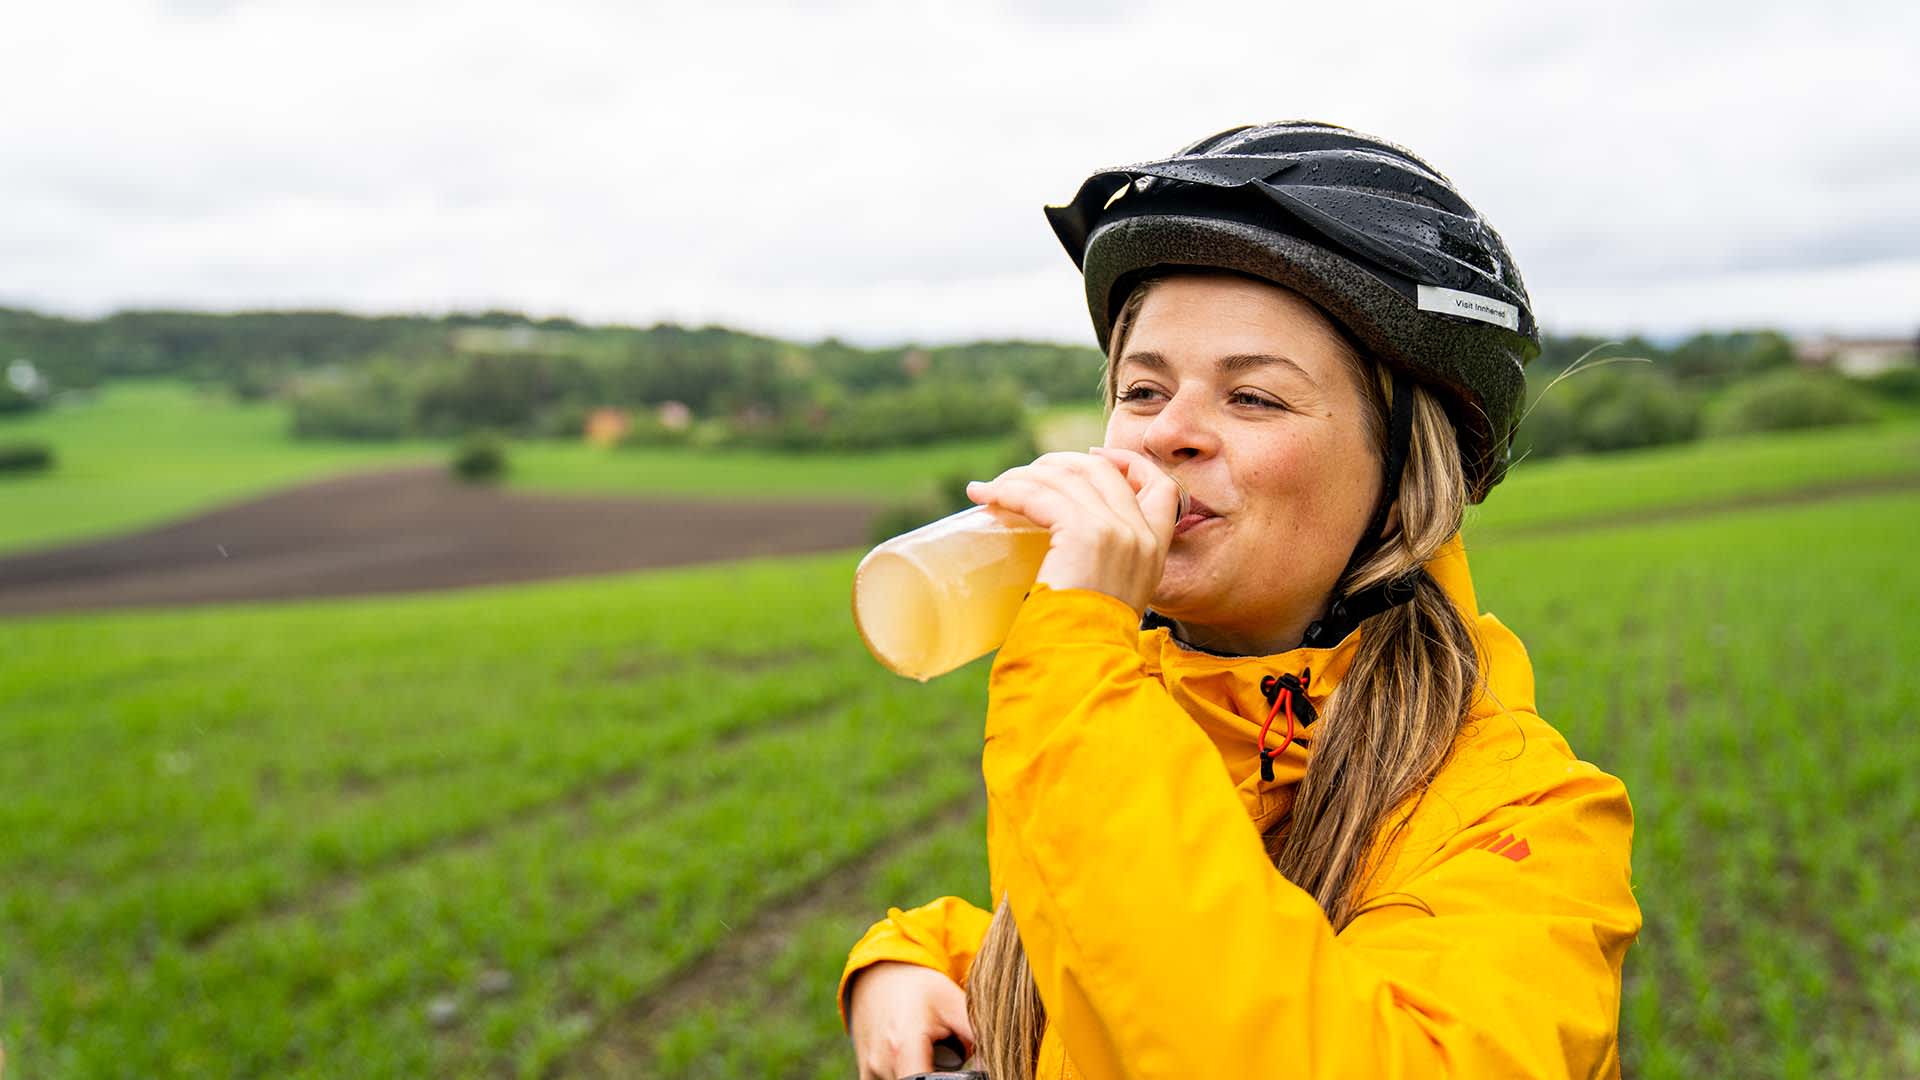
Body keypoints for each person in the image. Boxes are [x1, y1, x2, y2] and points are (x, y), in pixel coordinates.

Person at [840, 121, 1640, 1080]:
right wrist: (926, 961)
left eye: (1252, 397)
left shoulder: (1531, 820)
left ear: (1402, 475)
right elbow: (1118, 939)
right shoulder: (1125, 709)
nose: (1166, 434)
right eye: (1143, 390)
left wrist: (1075, 670)